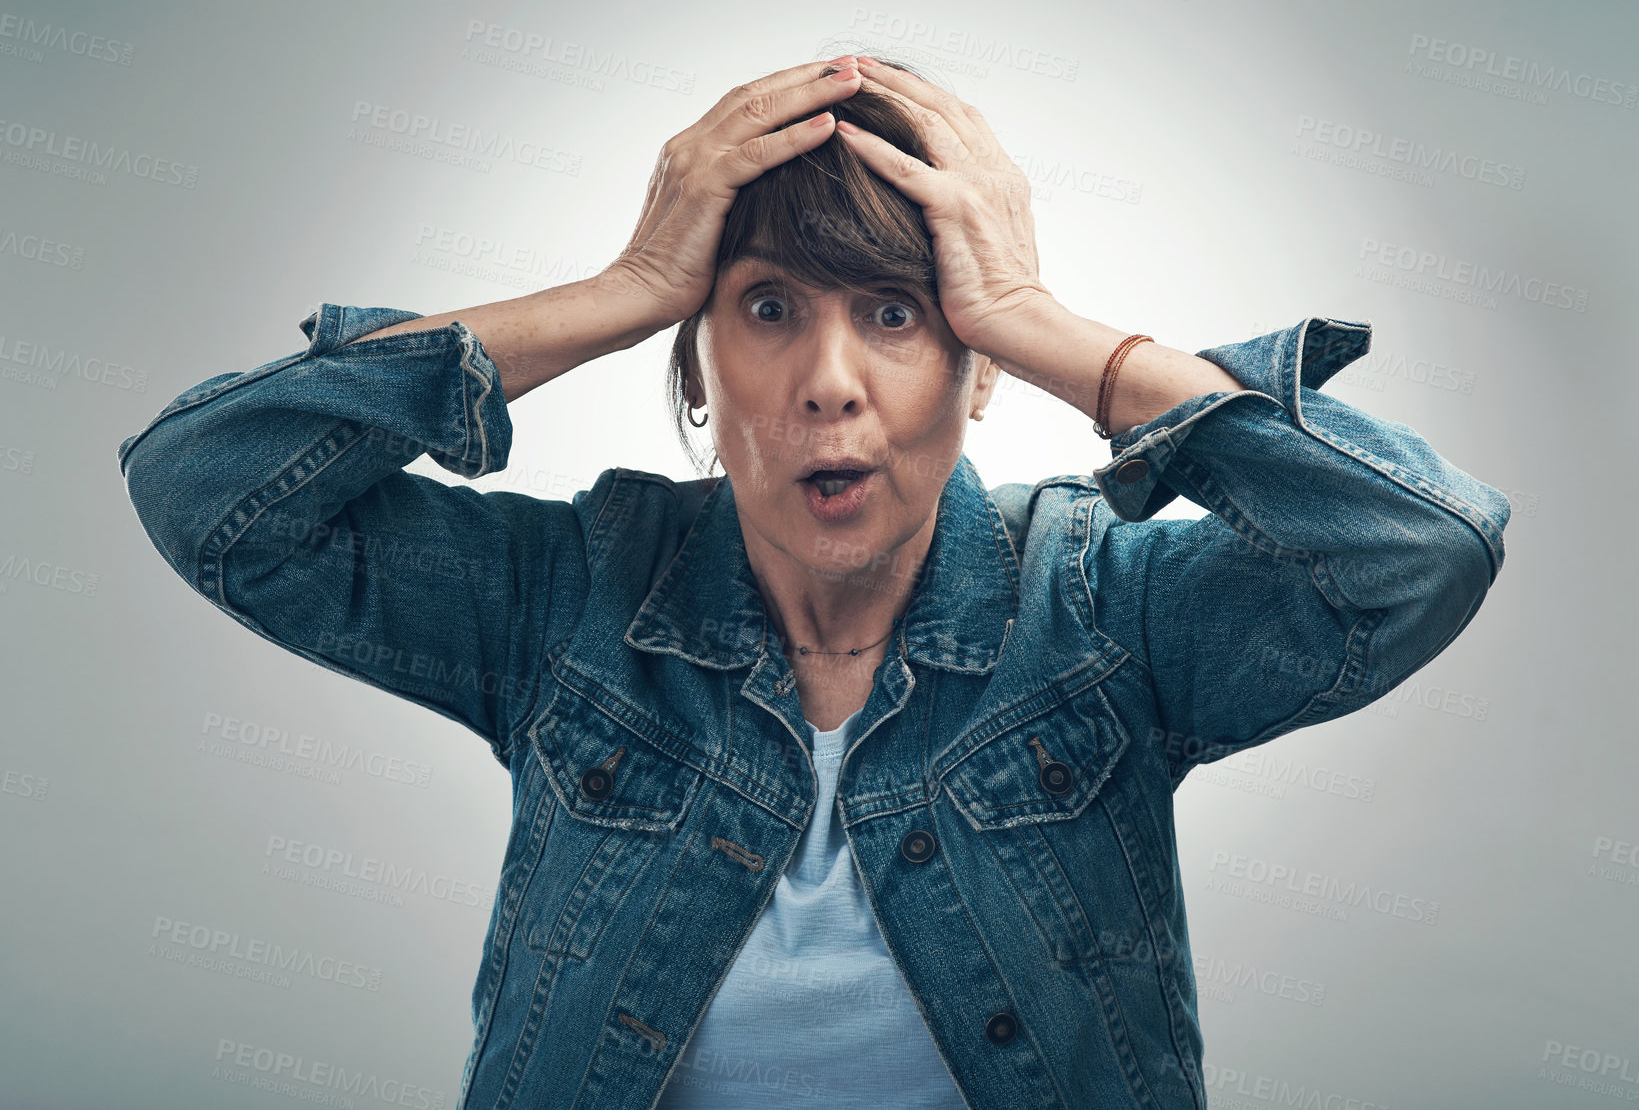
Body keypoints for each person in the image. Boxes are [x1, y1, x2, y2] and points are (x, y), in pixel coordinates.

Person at [117, 55, 1511, 1109]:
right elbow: (208, 492)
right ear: (702, 369)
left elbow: (1420, 551)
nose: (830, 386)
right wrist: (635, 278)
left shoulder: (1099, 611)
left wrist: (1038, 319)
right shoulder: (570, 599)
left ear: (976, 381)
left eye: (897, 316)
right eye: (767, 309)